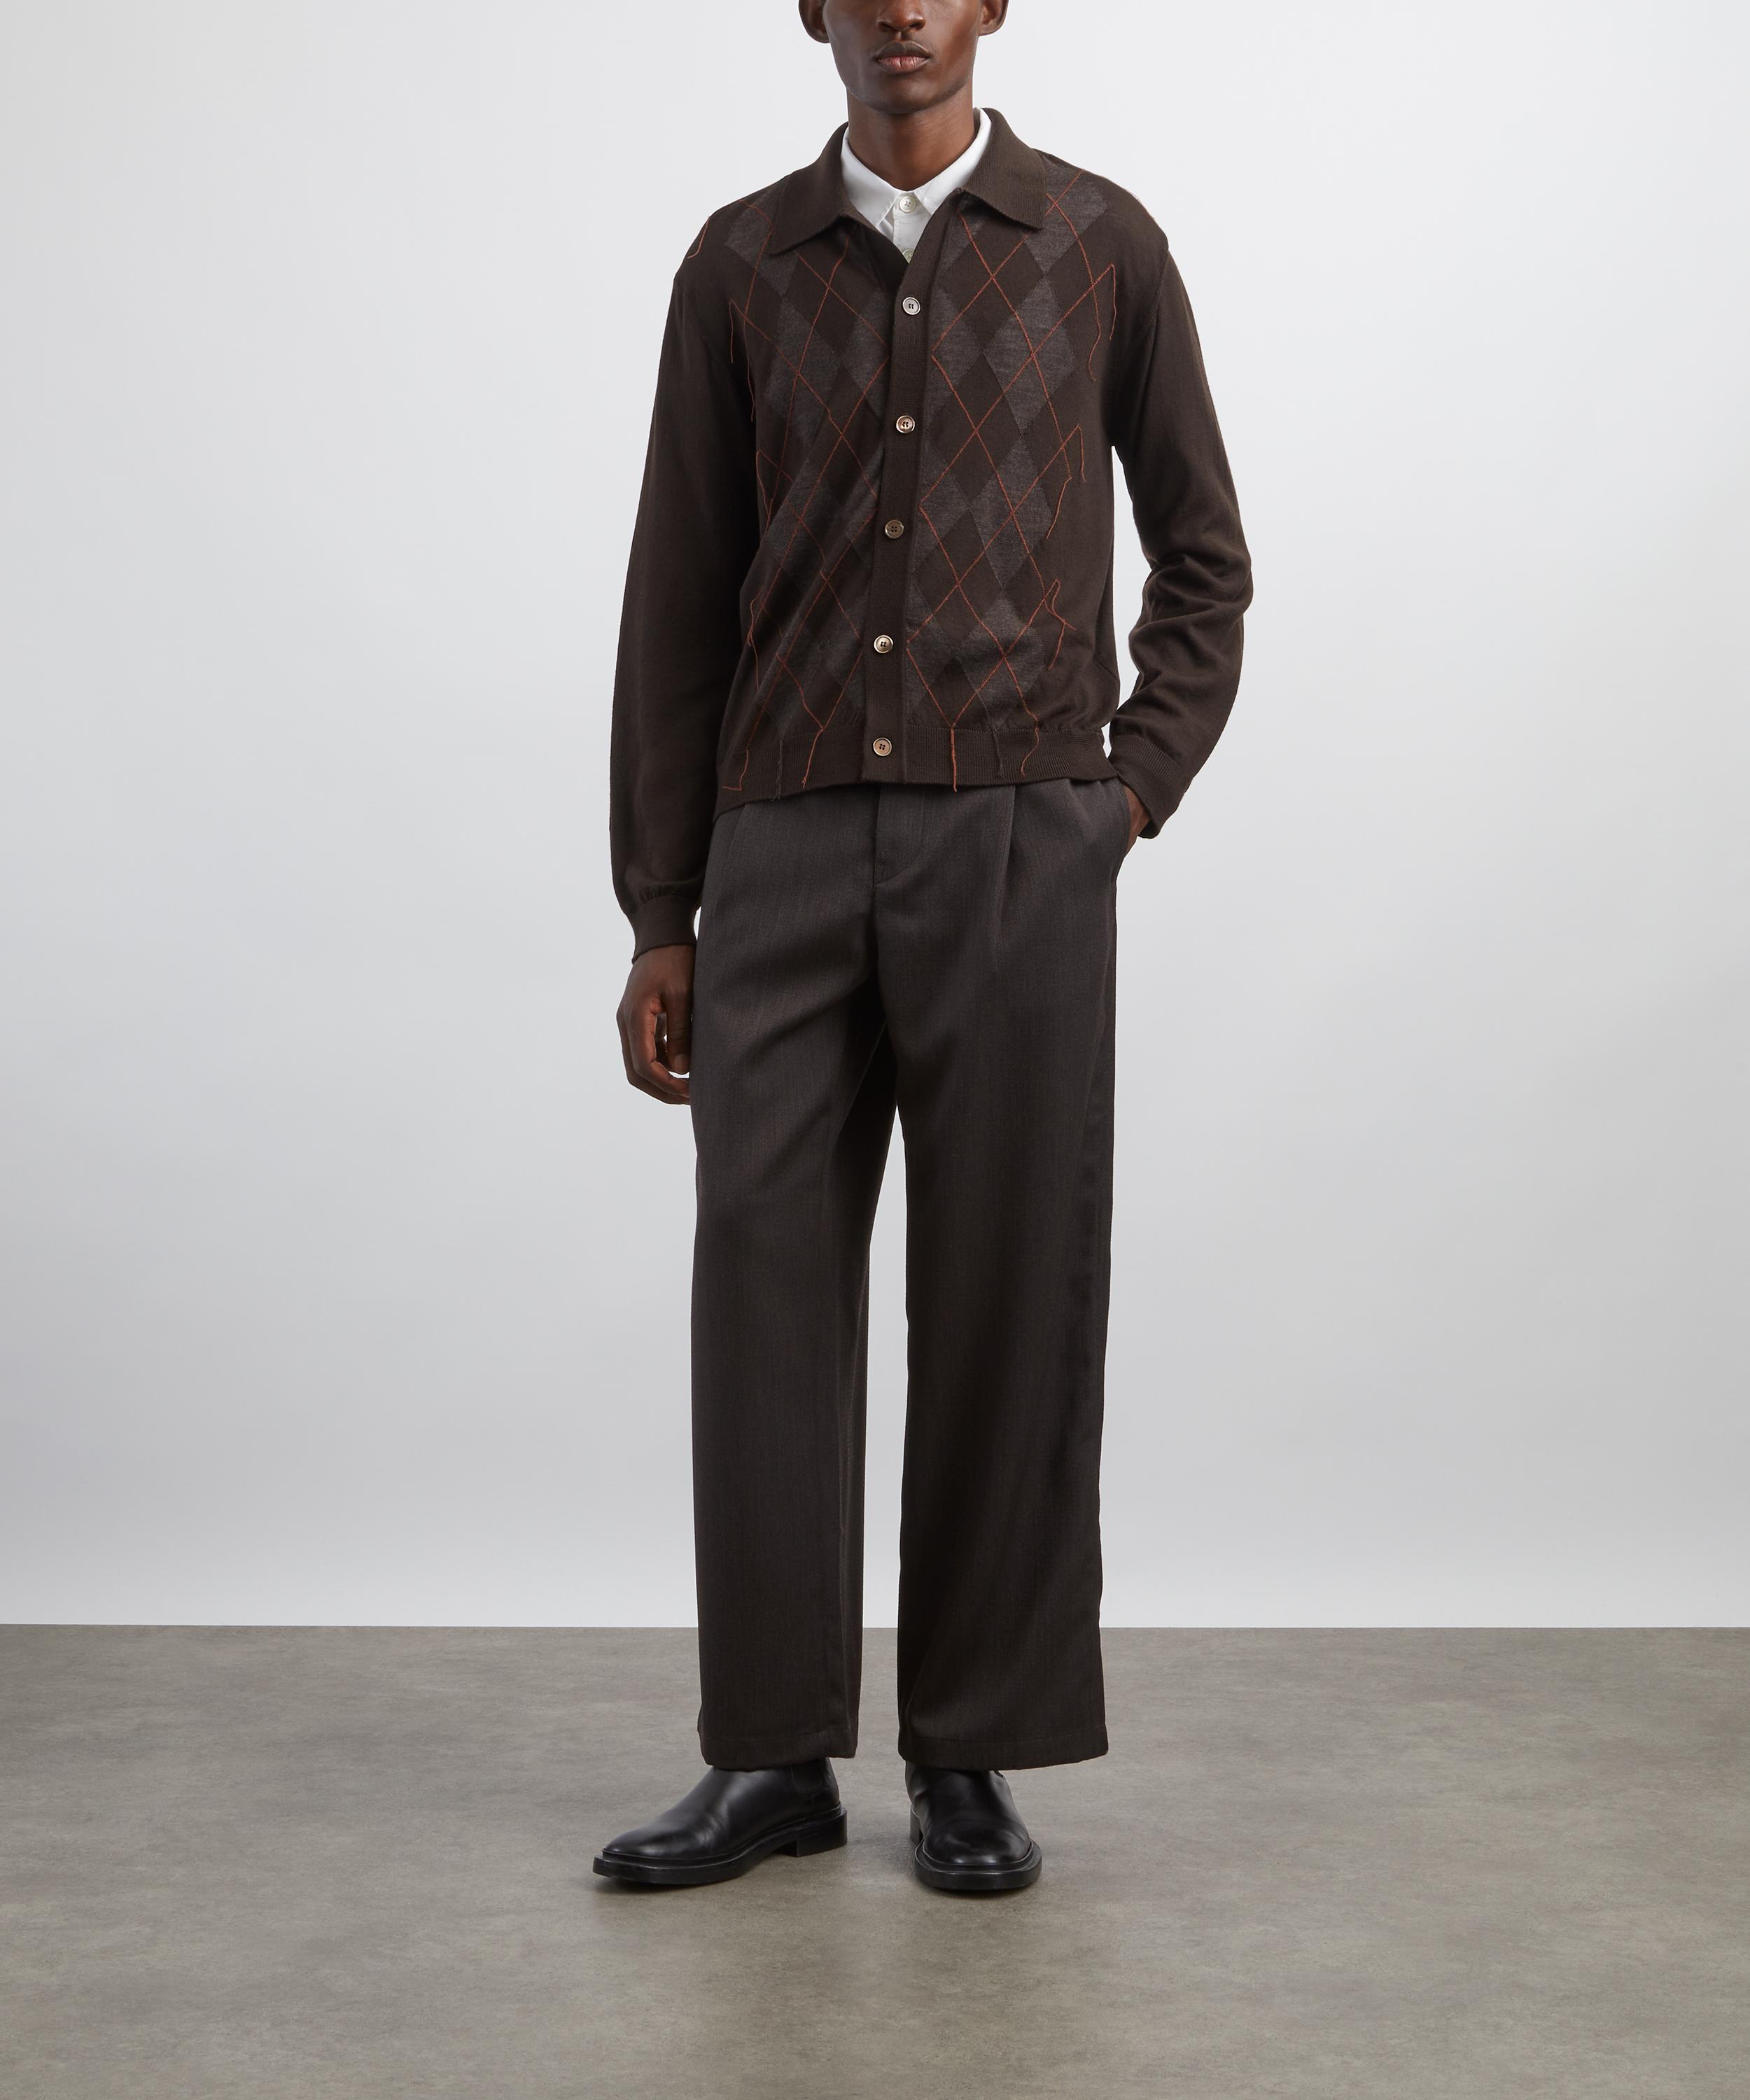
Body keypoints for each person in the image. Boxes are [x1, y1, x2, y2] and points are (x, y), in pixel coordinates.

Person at [596, 0, 1250, 1894]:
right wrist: (661, 911)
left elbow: (1204, 558)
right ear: (811, 11)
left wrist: (1121, 796)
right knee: (762, 1295)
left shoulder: (1101, 245)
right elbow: (676, 600)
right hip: (780, 854)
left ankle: (972, 1753)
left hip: (1017, 852)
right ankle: (770, 1759)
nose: (898, 8)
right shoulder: (739, 265)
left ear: (989, 6)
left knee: (1006, 1299)